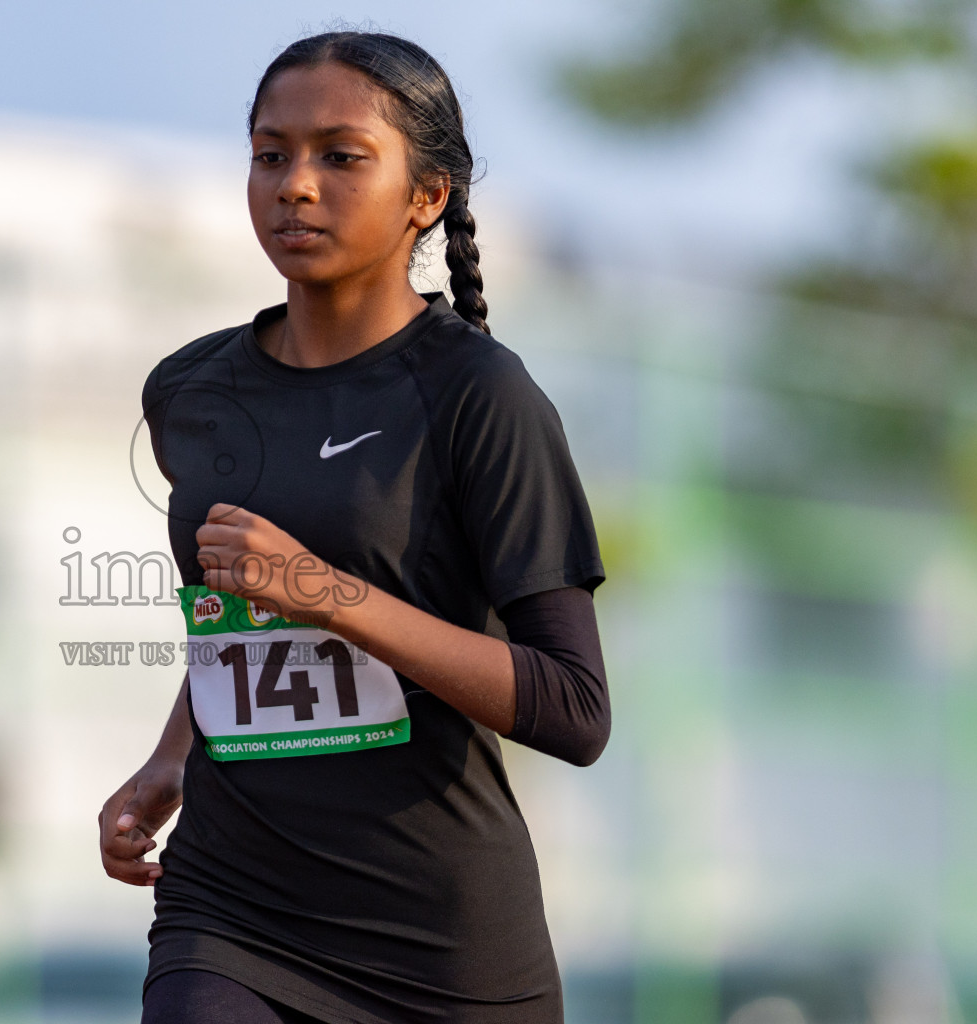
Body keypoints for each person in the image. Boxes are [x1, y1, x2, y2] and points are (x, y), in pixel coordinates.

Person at [99, 32, 610, 1024]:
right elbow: (235, 610)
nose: (295, 185)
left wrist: (329, 593)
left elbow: (575, 707)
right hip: (230, 910)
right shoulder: (190, 391)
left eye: (341, 155)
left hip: (440, 950)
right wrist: (173, 757)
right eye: (270, 153)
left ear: (429, 195)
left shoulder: (479, 395)